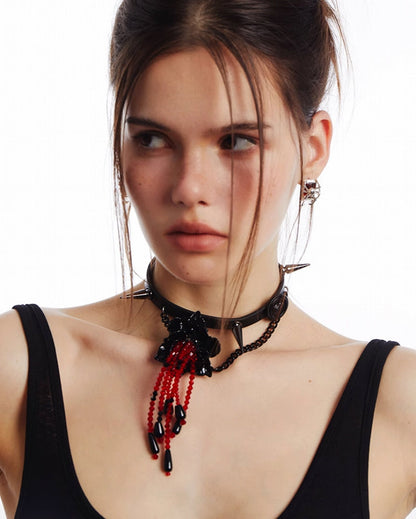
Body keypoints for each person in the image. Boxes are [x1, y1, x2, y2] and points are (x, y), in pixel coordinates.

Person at [0, 1, 415, 518]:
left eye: (236, 141)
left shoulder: (399, 405)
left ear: (313, 147)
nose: (189, 188)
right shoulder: (18, 368)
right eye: (152, 139)